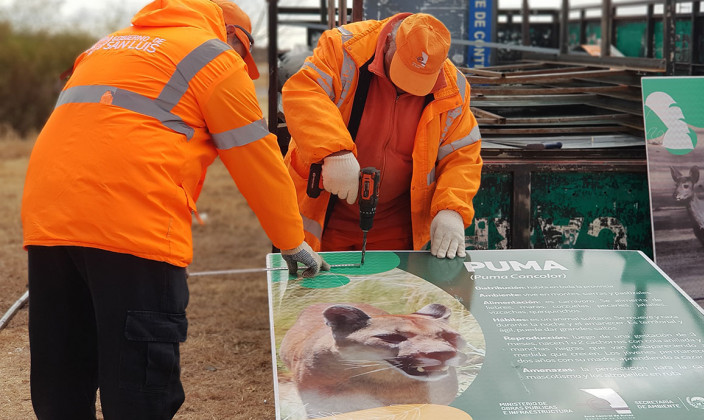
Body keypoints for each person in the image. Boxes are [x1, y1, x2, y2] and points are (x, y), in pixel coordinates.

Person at [20, 0, 328, 418]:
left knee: (63, 375)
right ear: (234, 37)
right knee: (140, 388)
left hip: (48, 220)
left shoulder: (108, 45)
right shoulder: (213, 56)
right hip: (133, 225)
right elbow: (258, 160)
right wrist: (292, 242)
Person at [281, 12, 483, 260]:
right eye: (404, 73)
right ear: (388, 42)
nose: (405, 88)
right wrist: (335, 152)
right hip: (324, 217)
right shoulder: (343, 49)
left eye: (419, 82)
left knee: (389, 296)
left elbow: (462, 156)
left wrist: (451, 209)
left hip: (395, 226)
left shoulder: (453, 90)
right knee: (320, 296)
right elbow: (304, 93)